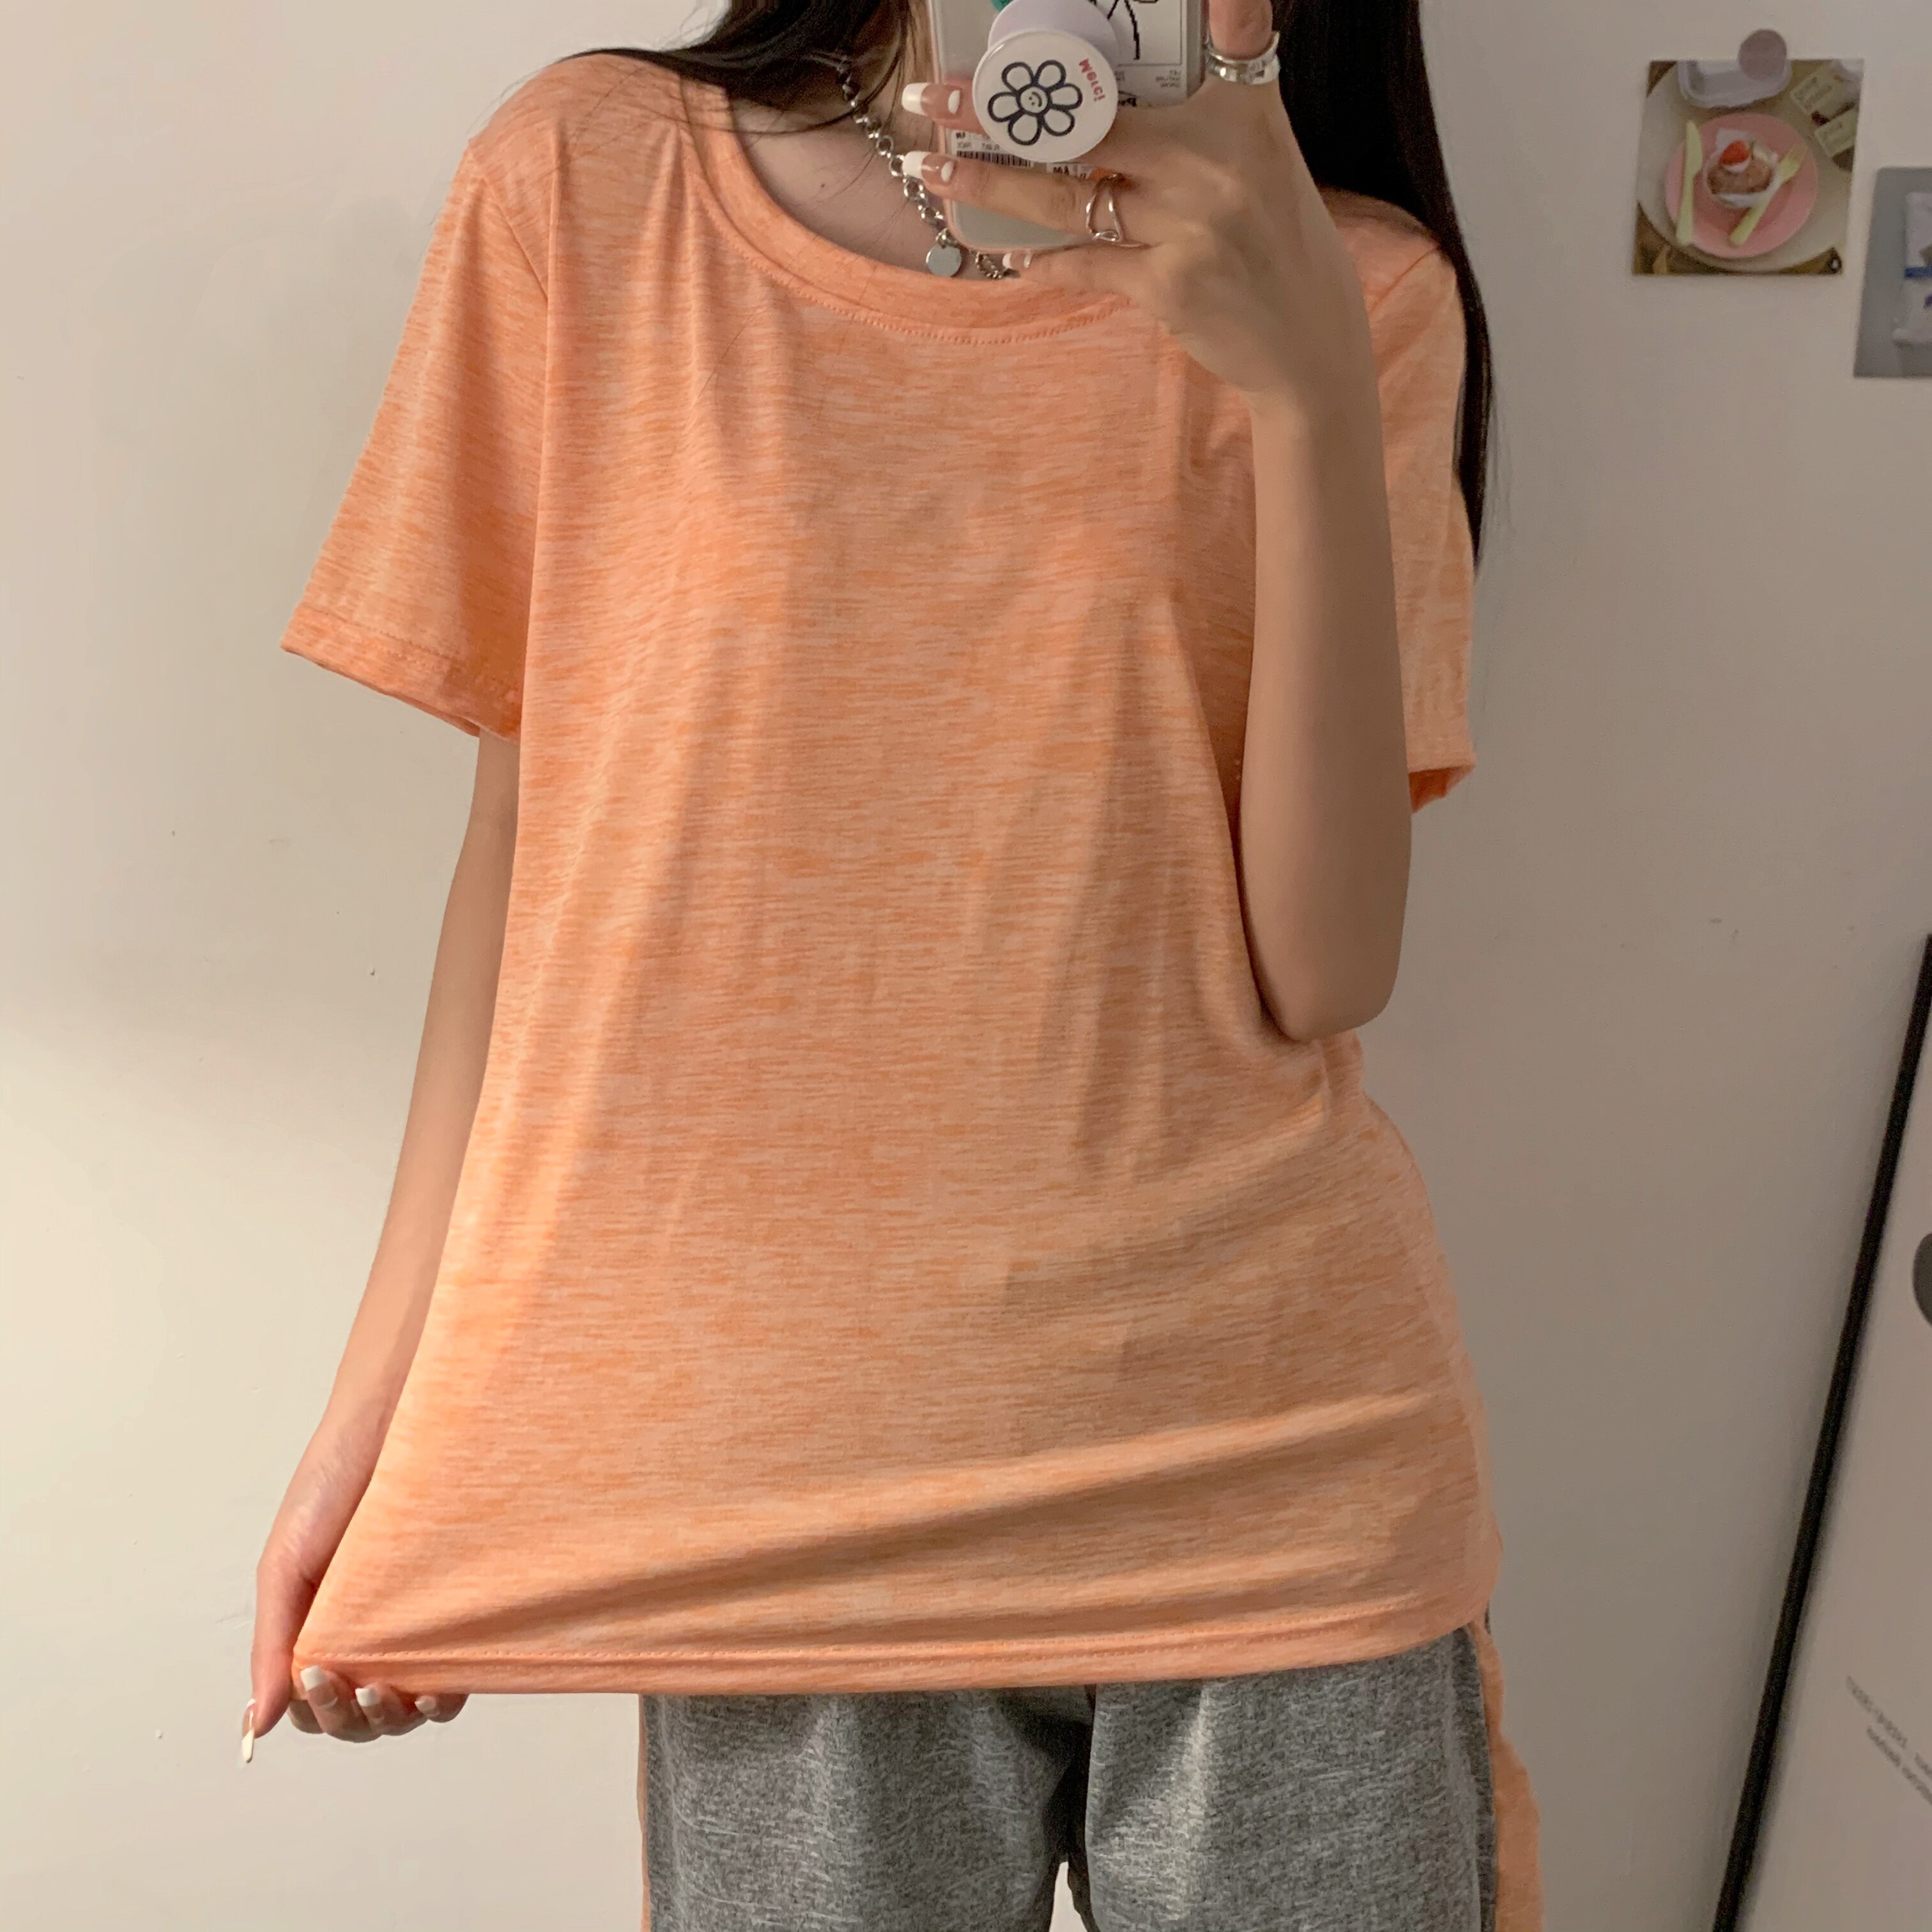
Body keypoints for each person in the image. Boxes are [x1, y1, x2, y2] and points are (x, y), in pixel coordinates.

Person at [249, 0, 1544, 1925]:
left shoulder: (1359, 284)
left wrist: (1303, 385)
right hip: (779, 1502)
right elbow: (535, 865)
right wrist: (378, 1425)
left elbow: (1326, 966)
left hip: (1276, 1474)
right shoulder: (594, 182)